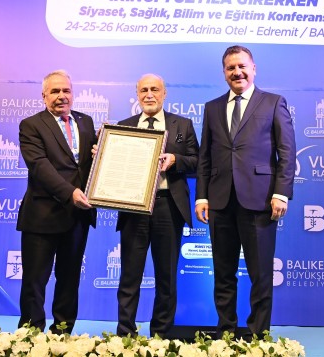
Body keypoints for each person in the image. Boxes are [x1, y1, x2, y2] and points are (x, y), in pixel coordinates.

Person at [195, 45, 295, 338]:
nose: (237, 72)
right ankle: (225, 333)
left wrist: (281, 192)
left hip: (260, 200)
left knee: (260, 274)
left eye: (242, 66)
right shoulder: (212, 108)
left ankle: (258, 336)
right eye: (231, 68)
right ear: (224, 73)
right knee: (223, 273)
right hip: (220, 201)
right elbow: (205, 157)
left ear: (253, 69)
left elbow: (287, 152)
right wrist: (202, 196)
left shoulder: (273, 103)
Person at [115, 74, 199, 337]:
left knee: (166, 277)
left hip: (168, 207)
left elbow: (198, 162)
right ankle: (125, 336)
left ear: (164, 94)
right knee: (129, 276)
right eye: (144, 90)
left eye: (154, 89)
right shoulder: (123, 126)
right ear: (137, 94)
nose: (149, 94)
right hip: (134, 209)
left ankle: (161, 335)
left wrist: (176, 160)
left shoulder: (182, 124)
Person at [17, 70, 97, 333]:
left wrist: (101, 153)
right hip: (42, 214)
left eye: (66, 91)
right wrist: (70, 193)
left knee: (70, 279)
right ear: (43, 96)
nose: (62, 96)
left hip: (77, 216)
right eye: (55, 91)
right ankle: (30, 335)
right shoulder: (31, 125)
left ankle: (62, 333)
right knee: (34, 281)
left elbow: (90, 164)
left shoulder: (86, 122)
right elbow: (39, 166)